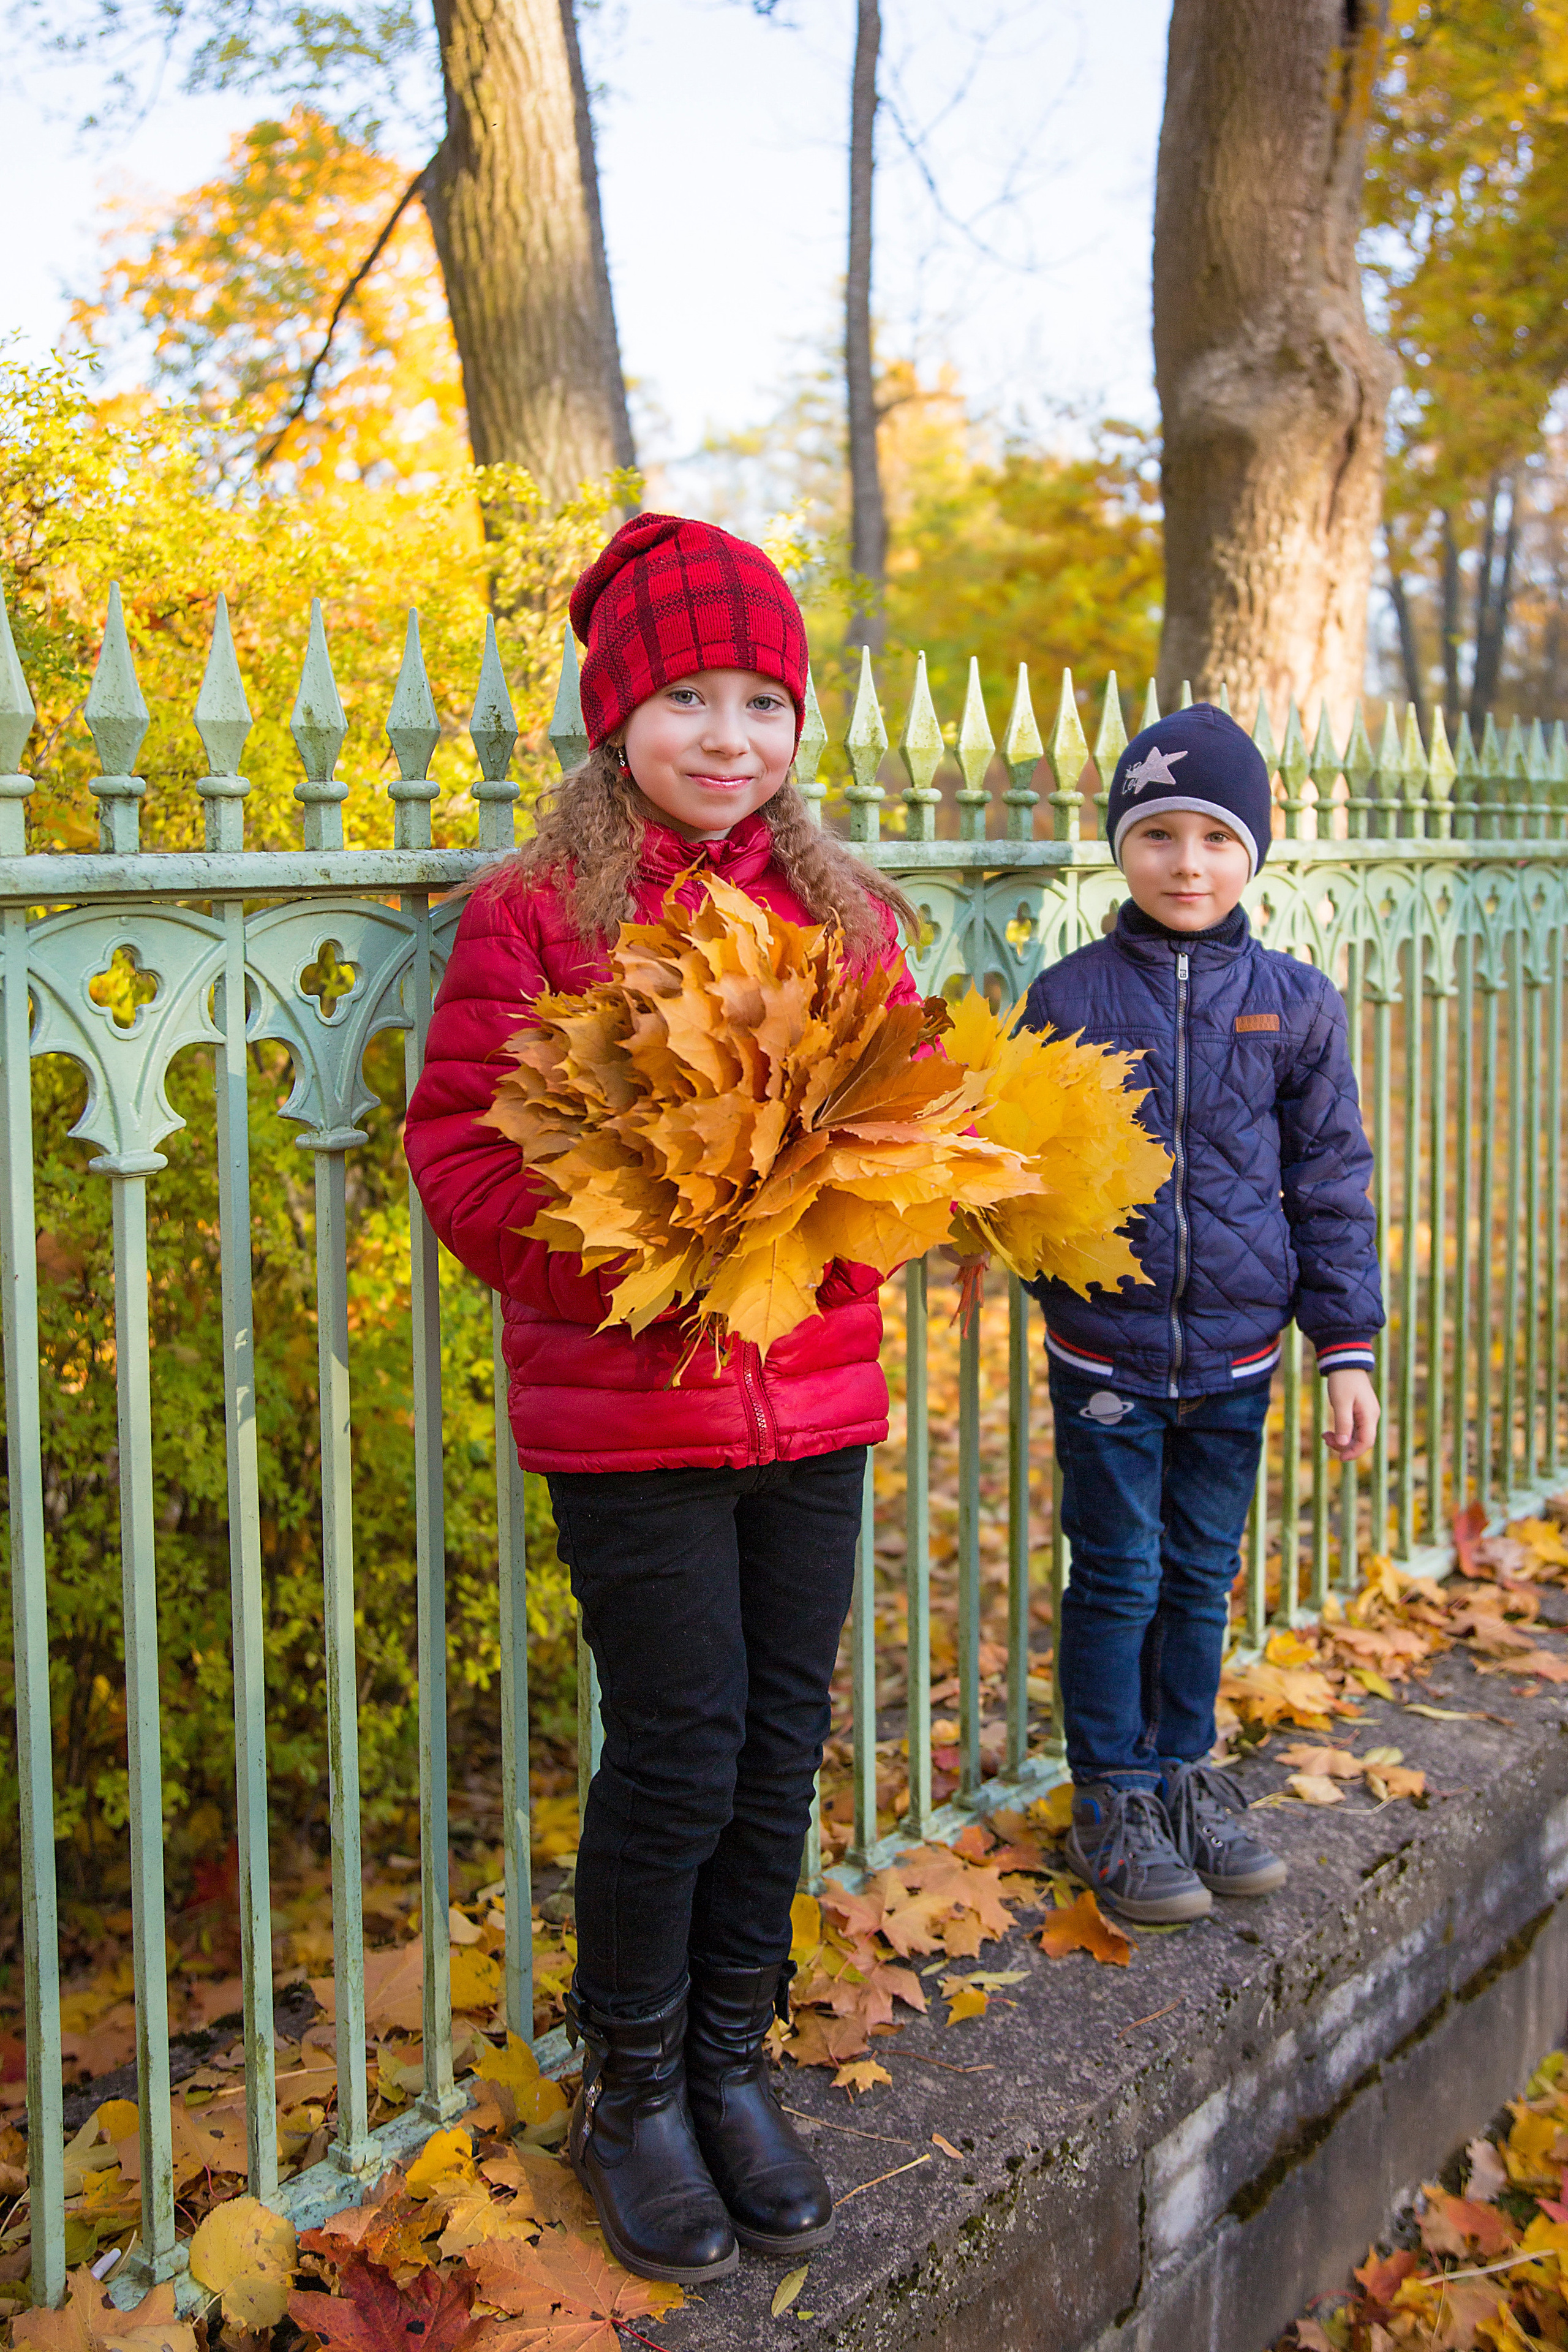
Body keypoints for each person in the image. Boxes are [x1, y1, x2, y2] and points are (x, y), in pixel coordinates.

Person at [404, 514, 918, 2287]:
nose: (728, 735)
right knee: (682, 1748)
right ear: (618, 713)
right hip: (634, 1422)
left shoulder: (852, 917)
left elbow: (905, 1152)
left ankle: (729, 2058)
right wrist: (641, 1255)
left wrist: (819, 1245)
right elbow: (463, 1158)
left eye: (761, 700)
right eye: (689, 696)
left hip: (816, 1410)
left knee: (780, 1745)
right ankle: (630, 2083)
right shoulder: (543, 915)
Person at [1020, 702, 1383, 1927]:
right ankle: (1110, 1793)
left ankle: (1179, 1768)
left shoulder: (1293, 1001)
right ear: (1119, 846)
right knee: (1116, 1573)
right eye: (1159, 834)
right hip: (1105, 1353)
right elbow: (1017, 1176)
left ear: (1253, 854)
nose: (1187, 863)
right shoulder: (1065, 995)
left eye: (1215, 838)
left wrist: (1344, 1349)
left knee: (1200, 1572)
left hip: (1235, 1352)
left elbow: (1329, 1179)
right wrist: (1057, 1278)